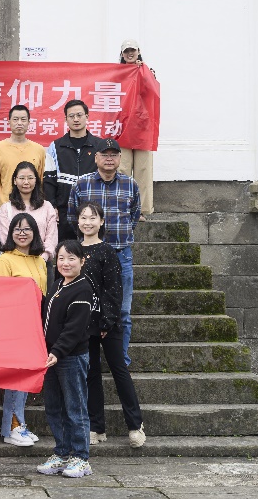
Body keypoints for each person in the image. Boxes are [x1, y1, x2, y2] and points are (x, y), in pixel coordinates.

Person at [77, 201, 145, 448]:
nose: (88, 222)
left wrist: (107, 320)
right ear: (77, 221)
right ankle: (96, 427)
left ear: (102, 222)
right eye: (84, 218)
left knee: (119, 370)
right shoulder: (74, 250)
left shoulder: (107, 251)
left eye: (92, 218)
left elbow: (114, 289)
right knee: (91, 374)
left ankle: (135, 425)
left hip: (108, 322)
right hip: (84, 324)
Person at [68, 138, 141, 365]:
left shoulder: (130, 184)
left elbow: (134, 216)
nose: (109, 159)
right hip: (89, 255)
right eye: (105, 155)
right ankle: (88, 360)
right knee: (87, 308)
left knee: (123, 312)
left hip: (120, 254)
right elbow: (72, 217)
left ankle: (121, 360)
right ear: (96, 158)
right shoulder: (82, 184)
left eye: (114, 155)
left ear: (119, 158)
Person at [35, 240, 94, 479]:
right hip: (51, 357)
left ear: (82, 261)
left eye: (71, 258)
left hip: (70, 358)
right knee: (54, 408)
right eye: (61, 258)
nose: (65, 263)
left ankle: (81, 458)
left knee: (75, 408)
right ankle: (62, 453)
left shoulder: (83, 288)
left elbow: (74, 329)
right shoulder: (58, 284)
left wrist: (57, 351)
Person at [0, 213, 46, 447]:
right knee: (15, 378)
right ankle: (11, 428)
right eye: (17, 229)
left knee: (25, 378)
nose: (22, 233)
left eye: (27, 229)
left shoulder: (40, 261)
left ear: (35, 232)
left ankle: (20, 424)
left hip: (33, 327)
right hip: (12, 327)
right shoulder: (4, 260)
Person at [43, 100, 108, 241]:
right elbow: (49, 180)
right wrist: (52, 205)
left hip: (93, 213)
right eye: (71, 116)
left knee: (92, 250)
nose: (76, 119)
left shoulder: (99, 146)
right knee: (66, 251)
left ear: (87, 117)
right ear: (66, 119)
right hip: (64, 212)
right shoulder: (55, 146)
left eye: (79, 115)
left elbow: (106, 176)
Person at [118, 40, 155, 216]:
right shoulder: (117, 74)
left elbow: (151, 92)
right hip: (123, 128)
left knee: (143, 170)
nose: (130, 54)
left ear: (138, 51)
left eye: (132, 50)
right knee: (122, 169)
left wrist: (145, 71)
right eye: (126, 51)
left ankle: (141, 210)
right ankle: (123, 209)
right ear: (122, 54)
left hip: (143, 128)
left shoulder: (147, 71)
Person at [0, 161, 59, 261]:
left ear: (36, 180)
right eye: (22, 178)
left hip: (42, 261)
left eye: (30, 178)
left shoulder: (47, 207)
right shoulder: (5, 209)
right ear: (15, 180)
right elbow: (6, 239)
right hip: (15, 262)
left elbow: (51, 237)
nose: (26, 182)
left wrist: (43, 258)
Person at [0, 105, 46, 206]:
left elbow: (40, 182)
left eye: (23, 119)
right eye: (15, 119)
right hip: (6, 206)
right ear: (9, 122)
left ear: (29, 122)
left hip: (32, 206)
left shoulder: (39, 150)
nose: (19, 123)